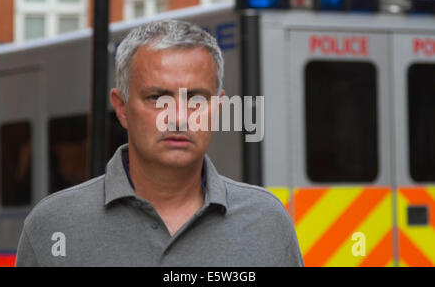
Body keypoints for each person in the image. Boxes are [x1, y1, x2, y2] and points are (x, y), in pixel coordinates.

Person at [15, 19, 303, 266]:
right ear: (122, 107)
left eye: (196, 99)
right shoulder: (52, 226)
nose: (177, 118)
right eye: (157, 98)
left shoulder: (267, 222)